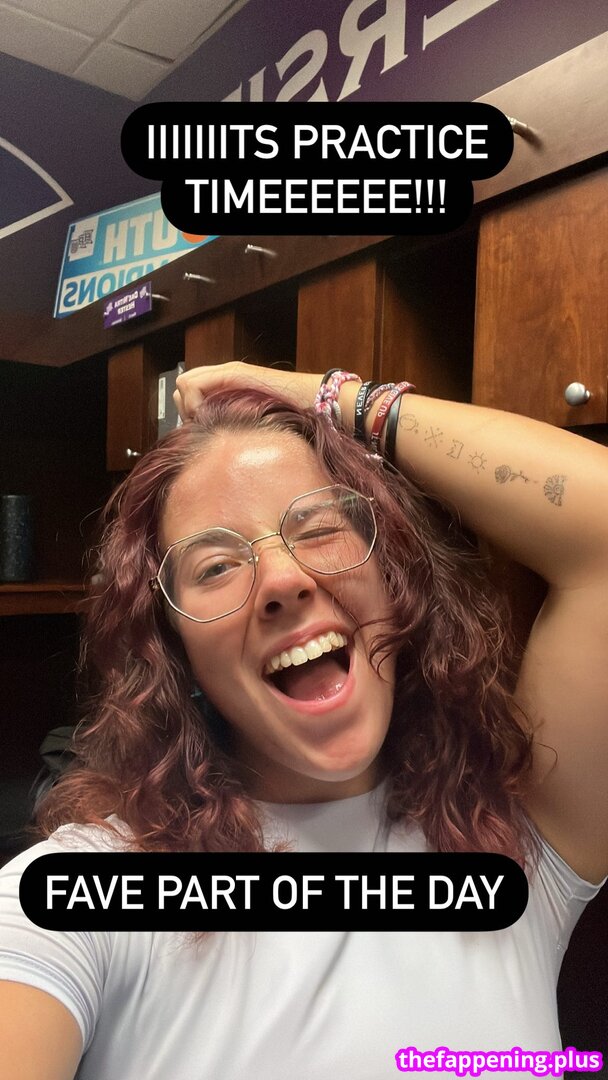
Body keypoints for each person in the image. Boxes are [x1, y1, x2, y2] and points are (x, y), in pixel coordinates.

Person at [0, 360, 606, 1080]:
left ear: (394, 580)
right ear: (177, 654)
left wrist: (320, 398)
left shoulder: (516, 844)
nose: (284, 580)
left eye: (317, 529)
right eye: (216, 567)